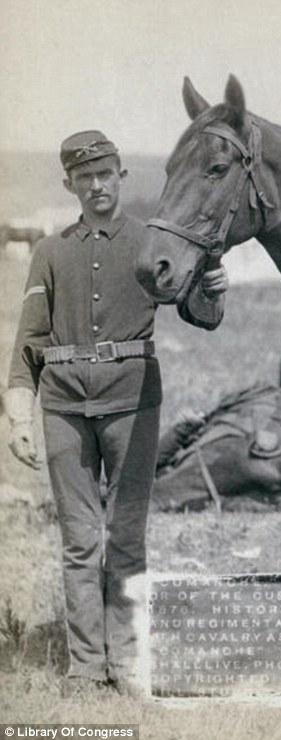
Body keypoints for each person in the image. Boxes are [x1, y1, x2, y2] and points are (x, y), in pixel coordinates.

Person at [2, 130, 229, 696]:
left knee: (126, 537)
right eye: (85, 177)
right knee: (80, 541)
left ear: (121, 176)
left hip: (133, 403)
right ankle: (85, 667)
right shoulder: (50, 252)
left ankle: (126, 662)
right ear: (70, 185)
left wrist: (214, 287)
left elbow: (200, 313)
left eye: (105, 174)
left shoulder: (149, 242)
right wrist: (19, 418)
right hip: (63, 409)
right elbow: (28, 344)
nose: (97, 185)